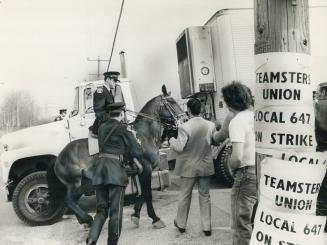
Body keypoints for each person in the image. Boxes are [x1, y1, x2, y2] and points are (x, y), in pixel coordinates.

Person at [86, 102, 143, 245]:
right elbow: (137, 152)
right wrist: (137, 142)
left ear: (110, 114)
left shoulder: (102, 128)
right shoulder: (123, 129)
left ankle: (91, 241)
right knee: (115, 212)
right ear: (122, 113)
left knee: (101, 211)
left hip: (99, 171)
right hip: (115, 172)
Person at [169, 98, 216, 236]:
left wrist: (171, 139)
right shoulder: (210, 125)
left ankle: (181, 224)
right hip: (205, 165)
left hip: (188, 167)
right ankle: (207, 227)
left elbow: (179, 147)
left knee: (185, 195)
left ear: (188, 110)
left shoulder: (184, 127)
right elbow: (212, 142)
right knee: (205, 195)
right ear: (200, 109)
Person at [221, 81, 257, 245]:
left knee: (240, 224)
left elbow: (237, 156)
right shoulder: (254, 116)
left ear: (229, 102)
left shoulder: (236, 122)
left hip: (245, 175)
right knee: (254, 220)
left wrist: (230, 165)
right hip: (260, 171)